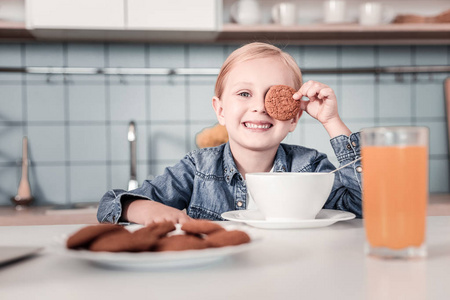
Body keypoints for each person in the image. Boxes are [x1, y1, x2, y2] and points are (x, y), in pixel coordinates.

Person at [97, 42, 362, 225]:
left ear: (293, 117)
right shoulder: (197, 169)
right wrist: (141, 207)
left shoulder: (311, 167)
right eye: (244, 94)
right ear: (220, 110)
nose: (259, 106)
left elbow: (365, 206)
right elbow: (110, 203)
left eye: (272, 95)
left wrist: (331, 121)